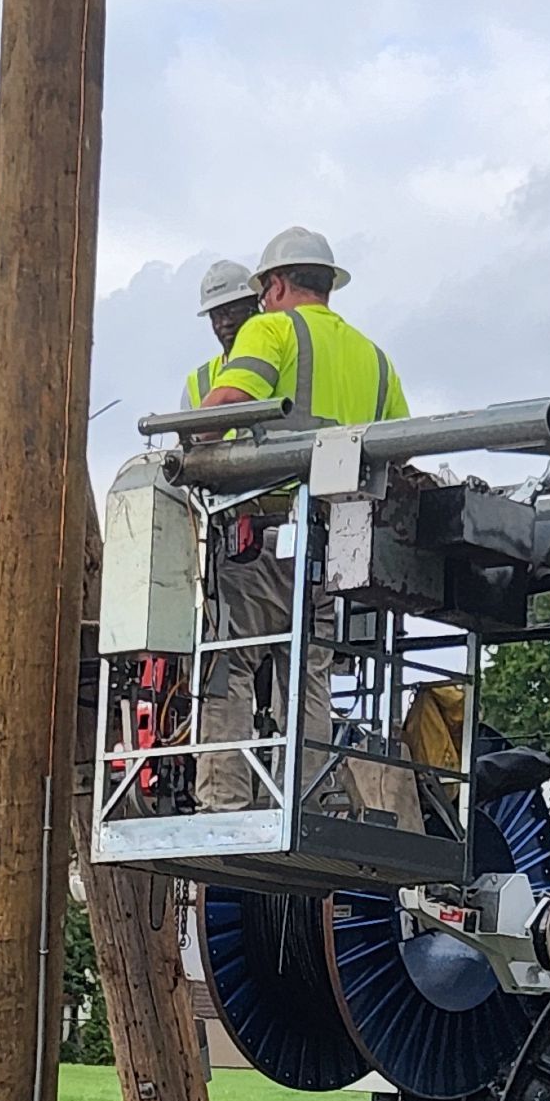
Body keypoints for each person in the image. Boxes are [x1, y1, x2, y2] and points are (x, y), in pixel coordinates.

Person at [194, 229, 408, 813]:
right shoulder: (376, 359)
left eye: (263, 291)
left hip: (264, 536)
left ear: (278, 284)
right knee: (308, 668)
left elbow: (224, 407)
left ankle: (226, 801)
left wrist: (182, 448)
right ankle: (306, 797)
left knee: (231, 662)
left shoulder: (272, 329)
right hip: (335, 548)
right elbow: (402, 452)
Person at [184, 259, 259, 410]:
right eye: (217, 315)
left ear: (255, 306)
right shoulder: (198, 381)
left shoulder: (277, 361)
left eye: (233, 311)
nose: (225, 323)